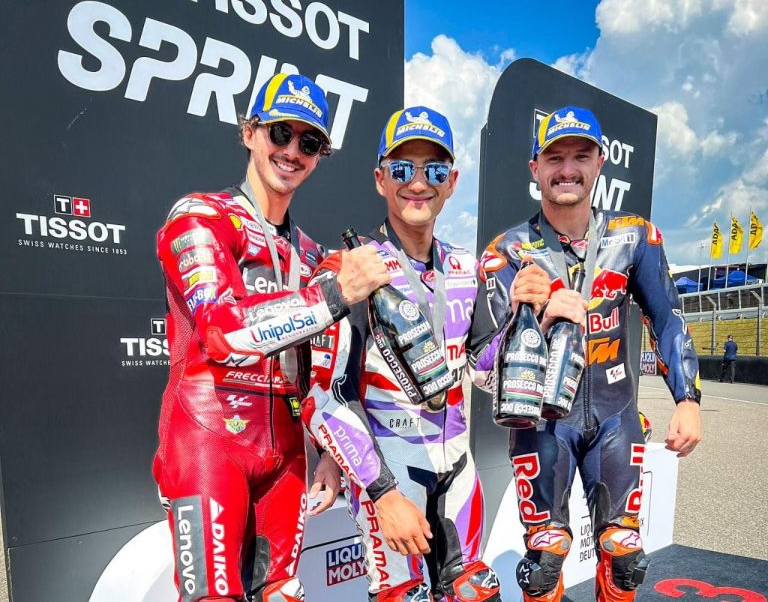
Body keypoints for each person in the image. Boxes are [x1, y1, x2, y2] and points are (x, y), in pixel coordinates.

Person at [152, 73, 390, 602]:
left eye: (310, 142)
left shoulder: (312, 253)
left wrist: (329, 453)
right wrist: (333, 295)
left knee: (284, 592)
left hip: (286, 453)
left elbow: (325, 372)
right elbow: (221, 332)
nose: (292, 151)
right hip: (208, 440)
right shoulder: (200, 216)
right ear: (249, 132)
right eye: (281, 132)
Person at [469, 106, 703, 602]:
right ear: (535, 168)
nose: (567, 169)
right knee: (543, 563)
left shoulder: (635, 236)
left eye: (580, 156)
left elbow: (666, 317)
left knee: (624, 559)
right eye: (555, 158)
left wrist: (687, 398)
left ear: (600, 163)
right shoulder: (506, 251)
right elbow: (483, 364)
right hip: (541, 425)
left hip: (616, 418)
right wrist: (536, 318)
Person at [302, 106, 502, 601]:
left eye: (434, 170)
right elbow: (327, 397)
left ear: (452, 181)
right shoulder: (351, 267)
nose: (417, 183)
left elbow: (485, 371)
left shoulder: (465, 265)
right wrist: (383, 494)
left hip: (459, 467)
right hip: (391, 470)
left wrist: (530, 322)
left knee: (475, 592)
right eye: (401, 168)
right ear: (380, 179)